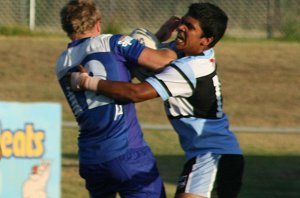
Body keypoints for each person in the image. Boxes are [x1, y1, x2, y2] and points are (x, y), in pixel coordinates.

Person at [70, 3, 244, 198]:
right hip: (205, 155)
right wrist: (160, 35)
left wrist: (88, 82)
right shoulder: (189, 53)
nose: (181, 28)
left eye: (190, 27)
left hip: (214, 155)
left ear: (206, 40)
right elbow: (152, 56)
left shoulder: (190, 68)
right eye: (183, 22)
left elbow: (135, 93)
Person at [56, 0, 177, 197]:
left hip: (90, 157)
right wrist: (176, 43)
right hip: (126, 152)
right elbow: (163, 61)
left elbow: (116, 72)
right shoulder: (112, 42)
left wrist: (157, 37)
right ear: (98, 23)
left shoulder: (62, 62)